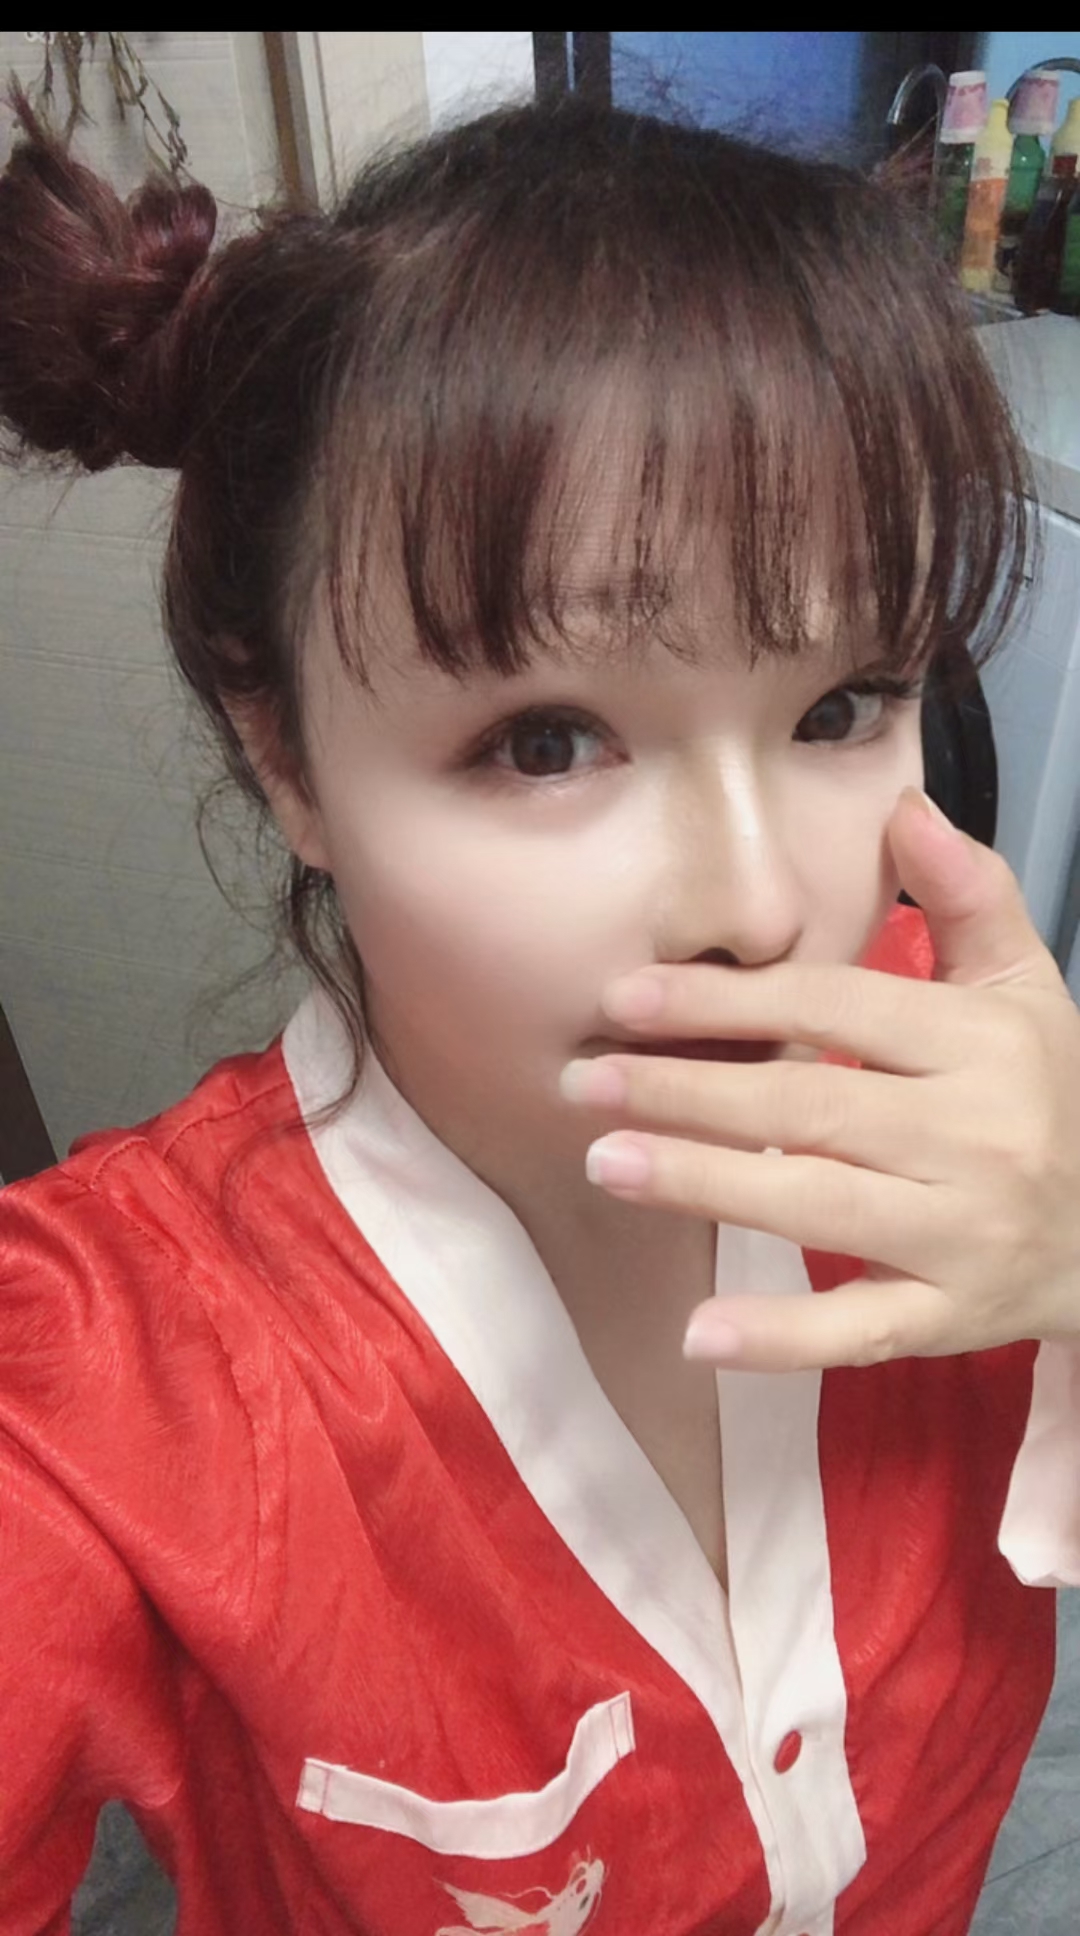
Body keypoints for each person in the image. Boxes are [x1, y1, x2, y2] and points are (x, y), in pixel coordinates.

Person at [1, 89, 1079, 1936]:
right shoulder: (113, 1383)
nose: (760, 906)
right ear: (286, 759)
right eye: (549, 741)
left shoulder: (985, 1100)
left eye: (843, 707)